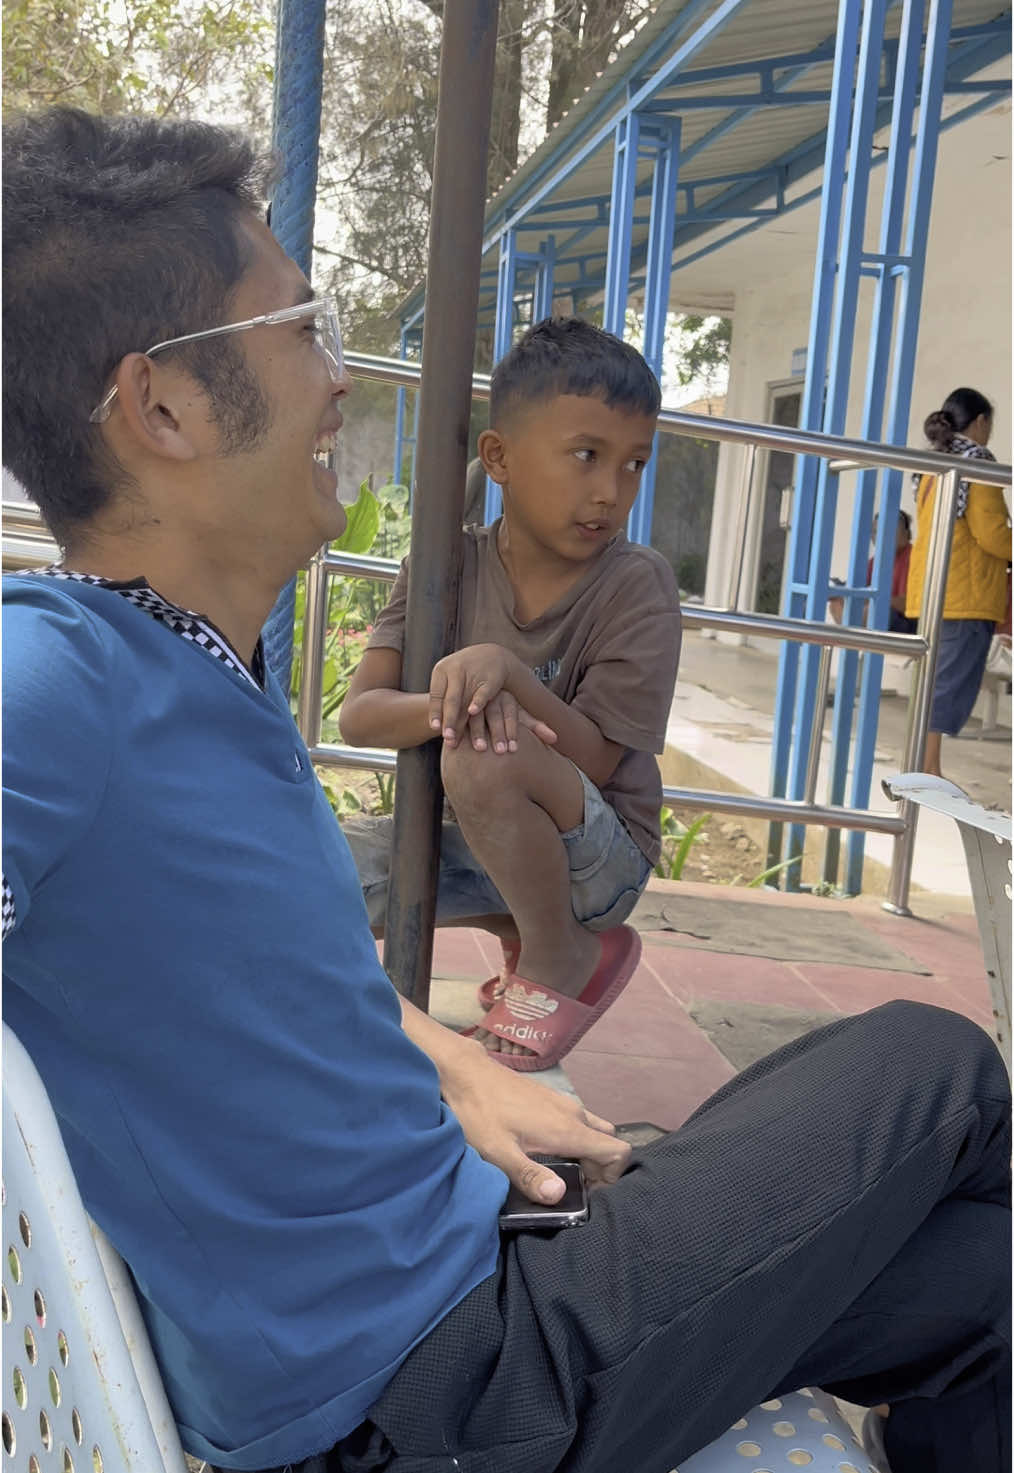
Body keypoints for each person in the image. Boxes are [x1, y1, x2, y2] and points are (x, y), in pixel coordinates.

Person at [2, 108, 1009, 1473]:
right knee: (935, 1064)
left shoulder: (182, 673)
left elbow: (261, 987)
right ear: (162, 406)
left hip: (479, 1265)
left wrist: (451, 1064)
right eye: (302, 327)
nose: (338, 377)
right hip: (434, 1387)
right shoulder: (60, 673)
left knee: (991, 1278)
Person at [339, 317, 680, 1070]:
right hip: (470, 839)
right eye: (586, 456)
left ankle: (560, 951)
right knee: (312, 873)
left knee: (486, 753)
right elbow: (360, 716)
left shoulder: (636, 585)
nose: (610, 491)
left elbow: (596, 758)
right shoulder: (443, 565)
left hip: (598, 858)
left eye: (633, 464)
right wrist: (463, 701)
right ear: (499, 457)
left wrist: (509, 675)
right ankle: (523, 927)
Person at [905, 387, 1011, 776]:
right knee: (948, 684)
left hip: (933, 588)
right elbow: (990, 532)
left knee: (933, 680)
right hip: (964, 591)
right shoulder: (977, 461)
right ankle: (927, 769)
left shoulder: (934, 462)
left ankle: (923, 765)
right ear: (980, 422)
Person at [828, 509, 916, 632]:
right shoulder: (874, 562)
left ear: (906, 534)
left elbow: (910, 604)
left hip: (906, 623)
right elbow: (855, 590)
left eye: (890, 529)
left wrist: (878, 600)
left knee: (875, 610)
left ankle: (852, 631)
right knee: (836, 604)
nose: (882, 535)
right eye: (876, 532)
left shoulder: (914, 557)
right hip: (878, 615)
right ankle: (853, 631)